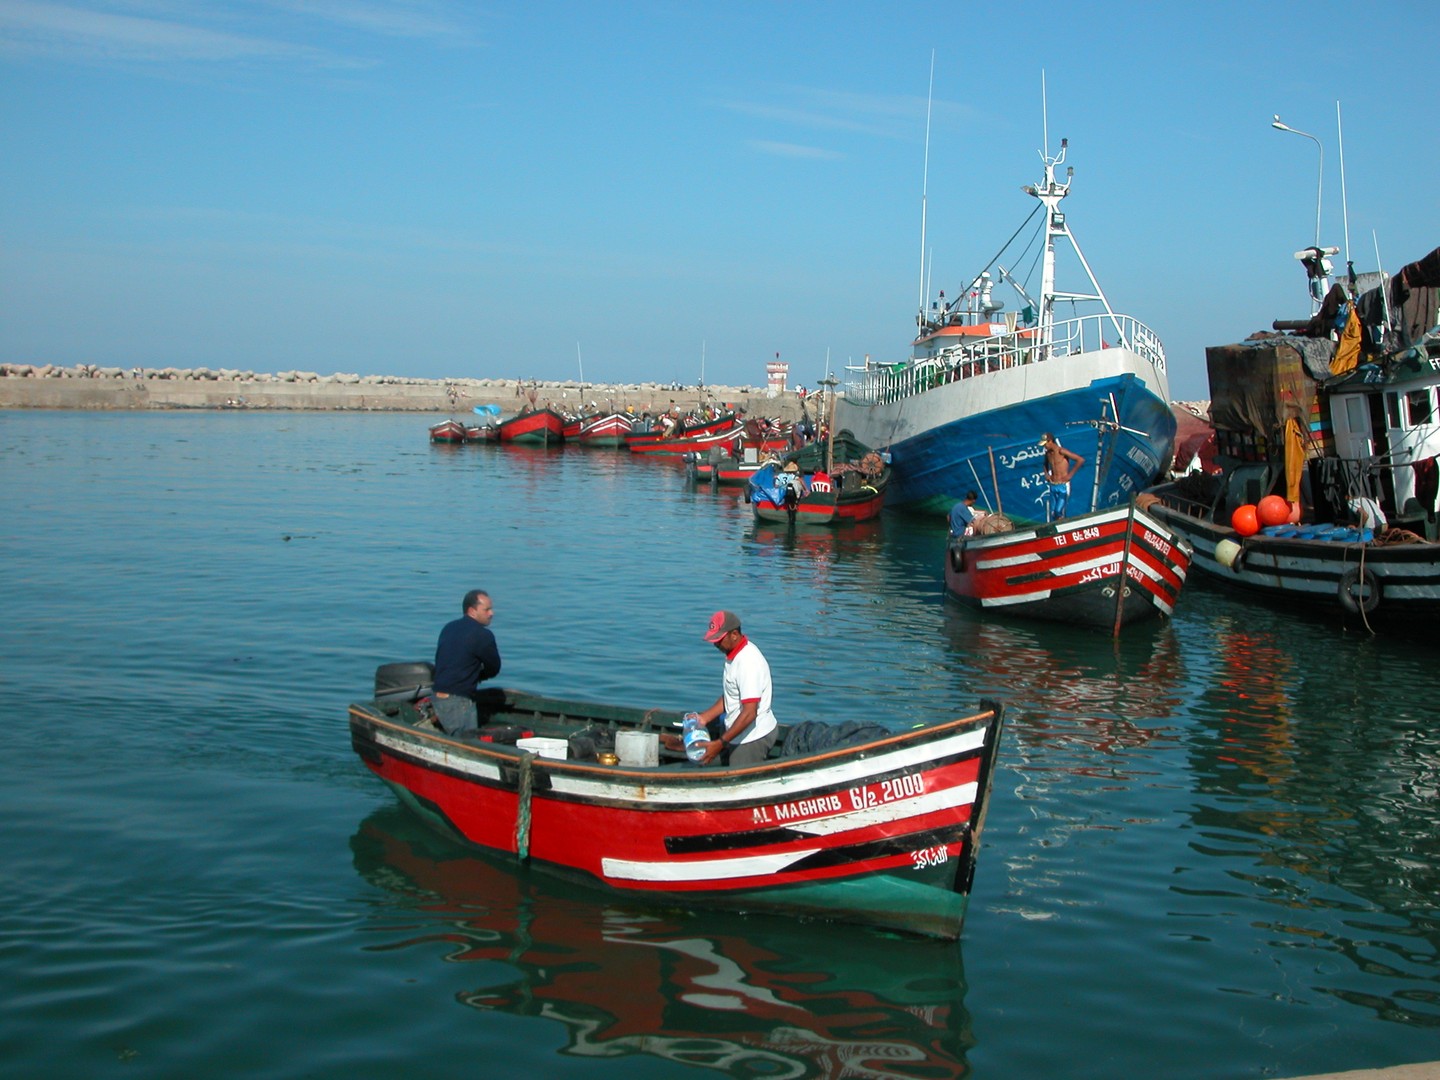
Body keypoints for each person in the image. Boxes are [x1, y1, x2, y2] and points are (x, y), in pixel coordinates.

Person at [680, 611, 779, 767]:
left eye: (719, 640)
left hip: (751, 738)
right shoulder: (733, 655)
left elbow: (749, 713)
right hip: (736, 734)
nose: (715, 644)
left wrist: (720, 743)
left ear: (734, 634)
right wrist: (704, 718)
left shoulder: (748, 663)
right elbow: (732, 696)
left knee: (740, 784)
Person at [431, 590, 501, 736]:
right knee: (468, 746)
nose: (491, 613)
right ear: (472, 611)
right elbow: (494, 668)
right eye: (486, 609)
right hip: (458, 702)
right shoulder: (483, 635)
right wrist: (480, 676)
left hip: (437, 697)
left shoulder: (448, 628)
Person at [1040, 432, 1085, 521]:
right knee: (1053, 512)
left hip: (1063, 485)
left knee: (1059, 510)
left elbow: (1080, 460)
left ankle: (1063, 528)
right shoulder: (1048, 454)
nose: (1044, 446)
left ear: (1050, 441)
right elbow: (1045, 464)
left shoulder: (1061, 451)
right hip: (1053, 485)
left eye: (1045, 444)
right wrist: (1046, 474)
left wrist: (1070, 475)